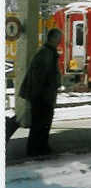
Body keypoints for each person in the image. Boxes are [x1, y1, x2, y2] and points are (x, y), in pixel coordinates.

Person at [19, 28, 62, 156]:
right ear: (53, 38)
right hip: (42, 96)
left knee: (42, 124)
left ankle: (41, 147)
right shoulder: (46, 54)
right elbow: (41, 77)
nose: (60, 41)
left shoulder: (48, 52)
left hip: (43, 95)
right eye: (59, 38)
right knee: (40, 124)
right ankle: (36, 149)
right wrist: (42, 95)